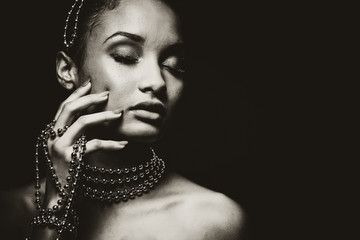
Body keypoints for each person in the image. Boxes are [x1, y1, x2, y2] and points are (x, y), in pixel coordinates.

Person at [0, 0, 246, 239]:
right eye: (125, 56)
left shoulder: (210, 219)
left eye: (173, 65)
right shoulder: (10, 212)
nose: (157, 82)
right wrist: (55, 206)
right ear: (67, 70)